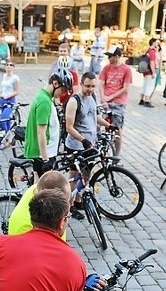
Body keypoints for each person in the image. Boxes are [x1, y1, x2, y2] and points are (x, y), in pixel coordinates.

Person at [65, 71, 109, 219]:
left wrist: (108, 125)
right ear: (81, 84)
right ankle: (69, 206)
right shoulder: (74, 101)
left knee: (87, 174)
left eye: (93, 86)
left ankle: (78, 201)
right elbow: (69, 127)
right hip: (76, 145)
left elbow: (95, 115)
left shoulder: (92, 97)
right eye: (87, 86)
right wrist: (83, 140)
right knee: (74, 176)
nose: (90, 89)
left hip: (89, 144)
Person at [23, 71, 71, 175]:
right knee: (46, 189)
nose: (62, 94)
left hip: (47, 153)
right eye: (62, 90)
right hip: (44, 154)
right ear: (55, 83)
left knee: (40, 187)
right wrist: (45, 160)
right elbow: (41, 132)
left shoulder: (46, 98)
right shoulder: (44, 101)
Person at [99, 46, 132, 157]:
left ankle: (116, 156)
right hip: (105, 102)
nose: (108, 58)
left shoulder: (126, 69)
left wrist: (111, 97)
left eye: (110, 56)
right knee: (97, 125)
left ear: (117, 56)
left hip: (118, 103)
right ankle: (99, 151)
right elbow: (101, 84)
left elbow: (125, 88)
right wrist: (103, 98)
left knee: (117, 130)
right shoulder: (106, 68)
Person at [139, 38, 160, 107]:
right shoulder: (152, 52)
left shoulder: (147, 50)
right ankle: (147, 100)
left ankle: (141, 99)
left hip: (145, 71)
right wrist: (153, 72)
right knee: (150, 86)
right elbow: (152, 62)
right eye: (157, 42)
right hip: (150, 71)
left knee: (144, 85)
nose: (158, 44)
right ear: (153, 43)